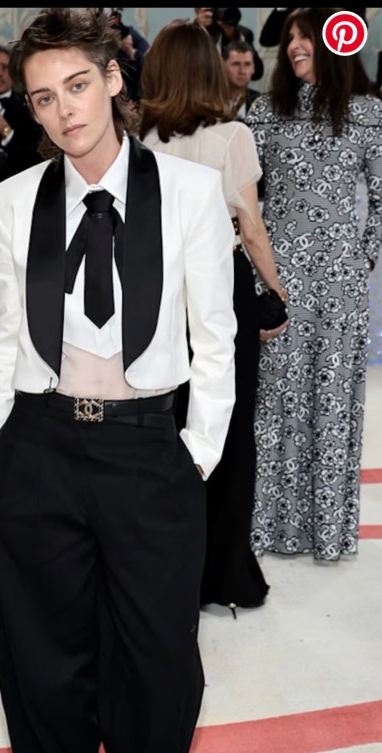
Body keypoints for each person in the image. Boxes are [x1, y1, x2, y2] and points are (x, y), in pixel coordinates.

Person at [0, 7, 237, 753]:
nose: (64, 111)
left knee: (159, 647)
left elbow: (216, 337)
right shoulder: (12, 202)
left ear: (114, 80)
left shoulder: (191, 191)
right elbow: (6, 336)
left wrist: (196, 452)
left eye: (77, 86)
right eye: (43, 98)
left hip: (148, 446)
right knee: (43, 643)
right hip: (38, 443)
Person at [140, 19, 287, 613]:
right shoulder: (232, 137)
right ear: (209, 70)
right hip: (220, 290)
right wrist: (275, 291)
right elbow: (251, 229)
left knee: (170, 428)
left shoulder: (139, 141)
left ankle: (170, 568)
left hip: (159, 294)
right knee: (227, 424)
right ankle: (225, 574)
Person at [245, 8, 382, 560]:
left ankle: (326, 532)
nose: (295, 46)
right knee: (276, 400)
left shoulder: (368, 113)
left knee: (332, 399)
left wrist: (361, 258)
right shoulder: (265, 112)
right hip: (278, 280)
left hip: (340, 286)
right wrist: (255, 272)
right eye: (291, 38)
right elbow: (242, 198)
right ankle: (269, 528)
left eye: (306, 36)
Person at [0, 44, 42, 185]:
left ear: (14, 73)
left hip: (13, 185)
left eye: (5, 67)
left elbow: (31, 157)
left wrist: (3, 127)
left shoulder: (27, 109)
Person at [223, 40, 260, 121]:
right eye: (236, 64)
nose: (242, 71)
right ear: (223, 66)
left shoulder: (261, 103)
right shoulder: (210, 101)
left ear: (253, 68)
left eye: (247, 64)